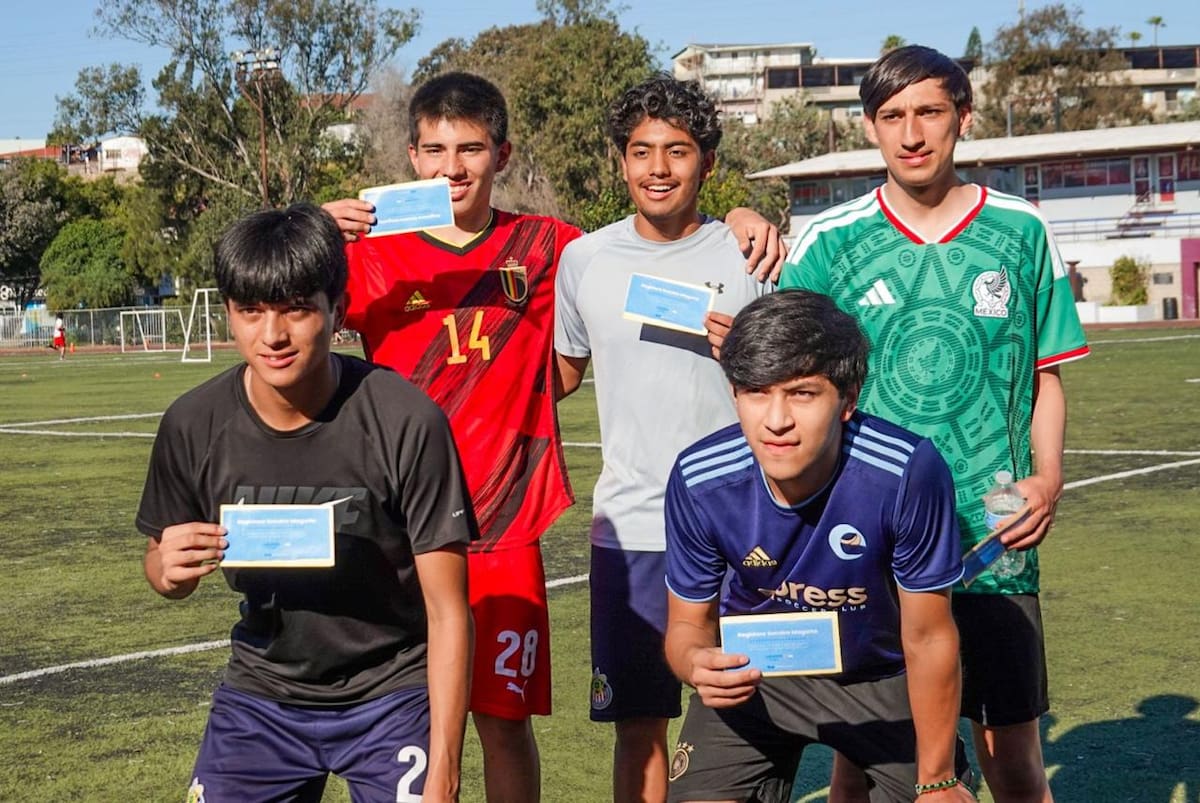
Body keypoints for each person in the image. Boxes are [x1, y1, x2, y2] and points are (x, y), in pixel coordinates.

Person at [324, 71, 783, 803]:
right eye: (436, 149)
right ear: (411, 155)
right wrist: (309, 228)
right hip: (393, 528)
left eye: (471, 148)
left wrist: (741, 212)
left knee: (504, 721)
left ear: (501, 155)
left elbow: (565, 362)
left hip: (502, 521)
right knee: (395, 720)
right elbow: (266, 309)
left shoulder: (553, 249)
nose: (452, 167)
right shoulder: (366, 250)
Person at [779, 45, 1089, 803]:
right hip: (870, 535)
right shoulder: (830, 243)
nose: (912, 133)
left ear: (963, 118)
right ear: (870, 128)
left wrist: (1047, 476)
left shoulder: (1021, 230)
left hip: (994, 529)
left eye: (929, 112)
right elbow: (791, 380)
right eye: (892, 116)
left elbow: (1046, 375)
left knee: (1011, 754)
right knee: (864, 757)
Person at [135, 203, 475, 803]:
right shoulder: (192, 423)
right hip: (262, 696)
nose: (273, 335)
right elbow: (161, 562)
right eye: (251, 312)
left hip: (390, 694)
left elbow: (449, 613)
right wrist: (165, 572)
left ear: (337, 311)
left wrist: (443, 772)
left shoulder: (405, 420)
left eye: (296, 309)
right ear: (229, 315)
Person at [663, 290, 975, 803]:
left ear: (848, 398)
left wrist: (938, 780)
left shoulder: (906, 472)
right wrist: (694, 662)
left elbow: (929, 637)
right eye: (756, 392)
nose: (776, 420)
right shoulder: (700, 478)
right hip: (756, 677)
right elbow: (686, 627)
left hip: (878, 676)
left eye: (803, 393)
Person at [555, 74, 772, 803]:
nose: (657, 168)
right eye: (641, 151)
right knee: (639, 725)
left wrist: (744, 353)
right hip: (634, 526)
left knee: (748, 716)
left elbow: (794, 383)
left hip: (744, 523)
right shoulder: (585, 260)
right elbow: (559, 373)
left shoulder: (752, 256)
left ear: (707, 163)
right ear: (620, 160)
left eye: (677, 152)